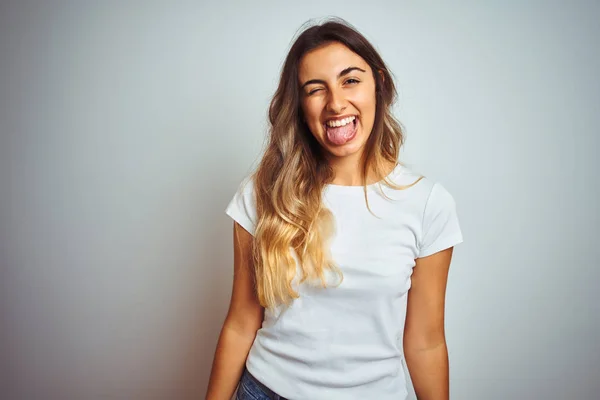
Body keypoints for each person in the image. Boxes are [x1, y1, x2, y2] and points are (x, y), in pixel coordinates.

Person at [206, 18, 463, 400]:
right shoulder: (263, 193)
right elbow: (241, 323)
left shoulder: (427, 203)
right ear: (300, 105)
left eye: (350, 80)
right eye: (315, 89)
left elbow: (425, 342)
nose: (336, 103)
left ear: (378, 83)